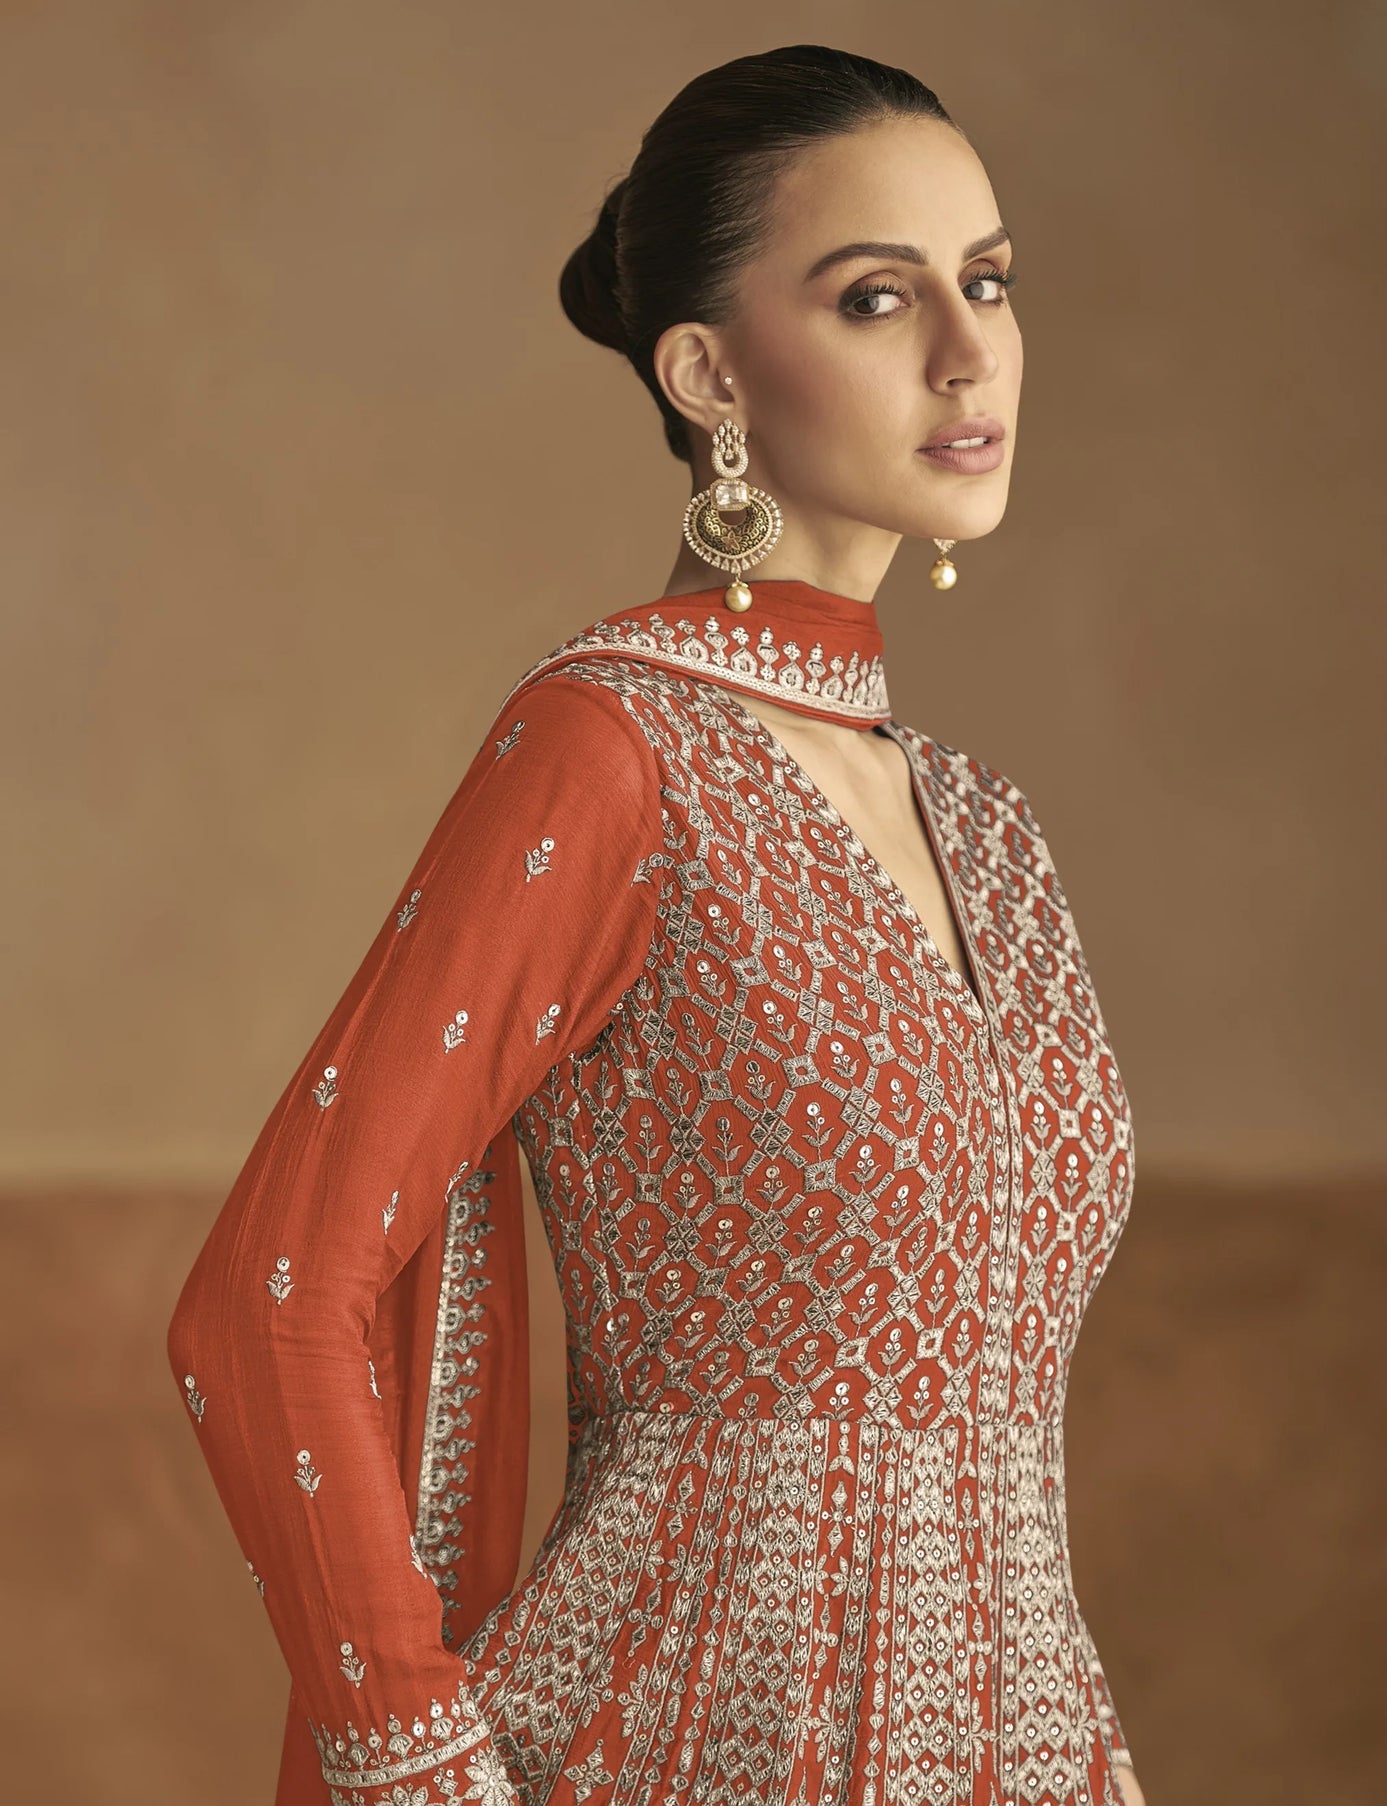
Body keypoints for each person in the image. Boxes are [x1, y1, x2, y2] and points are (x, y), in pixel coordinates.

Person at [166, 42, 1147, 1806]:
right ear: (706, 372)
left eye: (989, 282)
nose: (967, 351)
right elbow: (270, 1295)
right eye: (877, 297)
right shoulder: (613, 753)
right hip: (679, 1742)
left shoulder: (990, 832)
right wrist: (418, 1767)